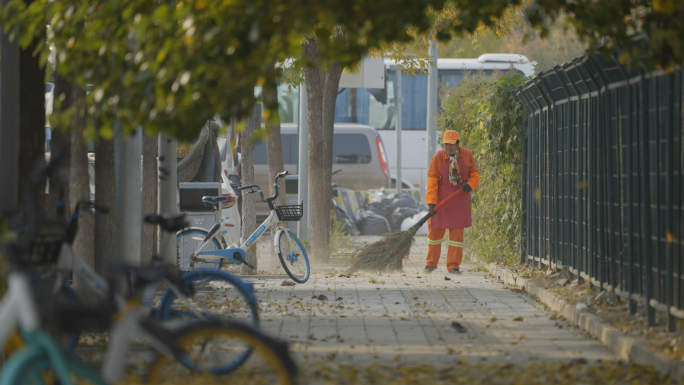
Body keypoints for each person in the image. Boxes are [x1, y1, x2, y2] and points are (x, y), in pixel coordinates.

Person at [424, 130, 479, 274]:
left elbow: (474, 174)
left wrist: (470, 185)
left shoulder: (466, 155)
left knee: (456, 236)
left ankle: (453, 266)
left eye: (451, 145)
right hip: (441, 200)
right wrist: (431, 202)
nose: (448, 147)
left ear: (457, 143)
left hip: (460, 198)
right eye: (446, 144)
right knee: (434, 233)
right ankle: (431, 264)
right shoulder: (437, 157)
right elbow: (432, 181)